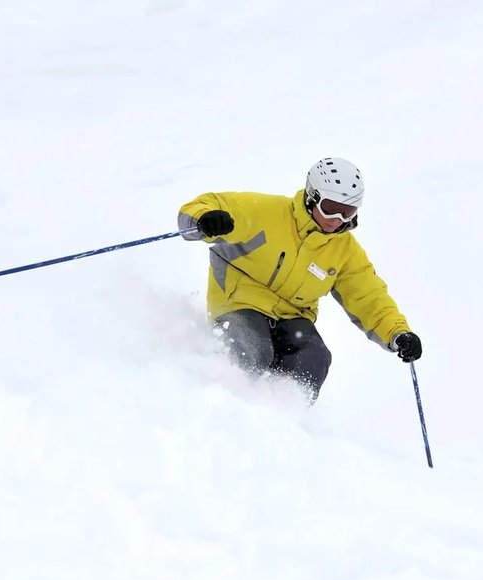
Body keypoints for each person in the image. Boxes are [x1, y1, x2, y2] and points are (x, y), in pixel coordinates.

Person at [178, 157, 422, 401]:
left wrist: (397, 333)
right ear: (311, 196)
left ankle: (285, 418)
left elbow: (369, 297)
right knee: (253, 351)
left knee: (314, 357)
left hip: (293, 317)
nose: (337, 218)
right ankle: (227, 405)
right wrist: (205, 219)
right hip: (239, 302)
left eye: (348, 211)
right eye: (330, 207)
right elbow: (208, 204)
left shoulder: (345, 251)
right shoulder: (267, 213)